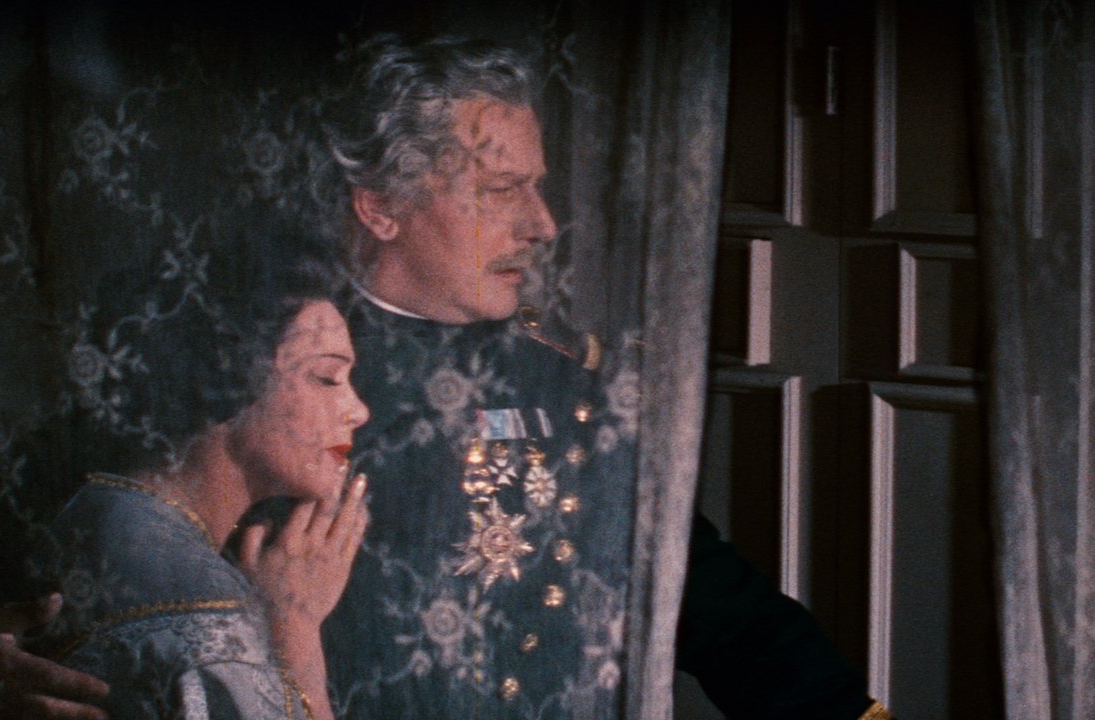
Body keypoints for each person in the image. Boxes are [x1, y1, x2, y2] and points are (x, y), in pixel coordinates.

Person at [314, 35, 893, 719]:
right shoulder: (286, 380)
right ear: (380, 208)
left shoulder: (558, 381)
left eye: (537, 187)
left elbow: (701, 590)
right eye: (500, 190)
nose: (542, 224)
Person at [0, 263, 370, 720]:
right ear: (226, 377)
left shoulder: (102, 513)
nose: (358, 411)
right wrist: (296, 632)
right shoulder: (201, 607)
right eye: (327, 378)